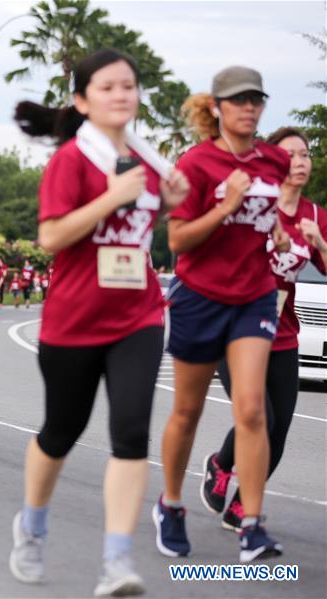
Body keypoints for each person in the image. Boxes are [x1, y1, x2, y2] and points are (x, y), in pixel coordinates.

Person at [9, 49, 190, 596]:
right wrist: (112, 197)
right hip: (74, 319)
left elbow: (164, 209)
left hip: (138, 315)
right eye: (107, 87)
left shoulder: (150, 162)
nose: (120, 95)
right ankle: (32, 526)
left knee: (131, 432)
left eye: (128, 87)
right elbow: (51, 237)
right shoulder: (71, 161)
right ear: (83, 100)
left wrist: (175, 200)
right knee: (61, 432)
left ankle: (117, 561)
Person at [155, 66, 291, 563]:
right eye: (237, 100)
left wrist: (272, 228)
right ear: (217, 108)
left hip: (253, 296)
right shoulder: (196, 164)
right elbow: (178, 240)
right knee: (187, 412)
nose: (248, 108)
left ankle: (251, 526)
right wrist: (226, 206)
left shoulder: (274, 161)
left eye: (256, 99)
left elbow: (271, 208)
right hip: (200, 296)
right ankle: (170, 506)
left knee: (253, 409)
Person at [202, 128, 323, 532]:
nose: (301, 162)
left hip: (282, 335)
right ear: (272, 159)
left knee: (280, 429)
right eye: (291, 154)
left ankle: (242, 505)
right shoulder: (255, 205)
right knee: (260, 417)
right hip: (234, 327)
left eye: (306, 155)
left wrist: (320, 244)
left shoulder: (315, 215)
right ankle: (221, 463)